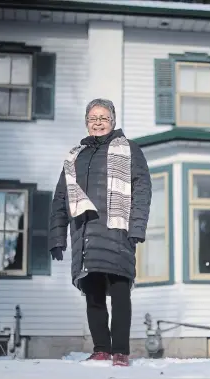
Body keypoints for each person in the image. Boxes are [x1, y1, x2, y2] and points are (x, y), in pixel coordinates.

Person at [48, 98, 152, 367]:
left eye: (103, 117)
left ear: (113, 120)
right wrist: (56, 237)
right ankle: (101, 349)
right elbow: (61, 197)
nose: (98, 122)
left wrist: (137, 227)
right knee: (92, 291)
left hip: (119, 231)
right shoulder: (75, 156)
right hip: (85, 232)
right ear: (86, 122)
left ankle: (120, 351)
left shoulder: (130, 150)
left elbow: (142, 190)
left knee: (119, 291)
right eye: (93, 118)